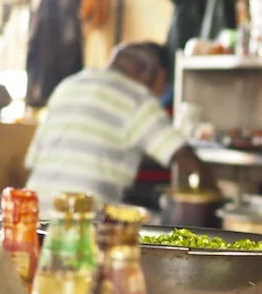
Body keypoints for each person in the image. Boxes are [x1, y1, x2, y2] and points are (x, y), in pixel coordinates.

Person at [25, 41, 215, 209]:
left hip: (34, 216)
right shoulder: (137, 98)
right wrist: (217, 201)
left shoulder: (68, 85)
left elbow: (33, 160)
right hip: (80, 223)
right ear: (159, 76)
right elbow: (182, 156)